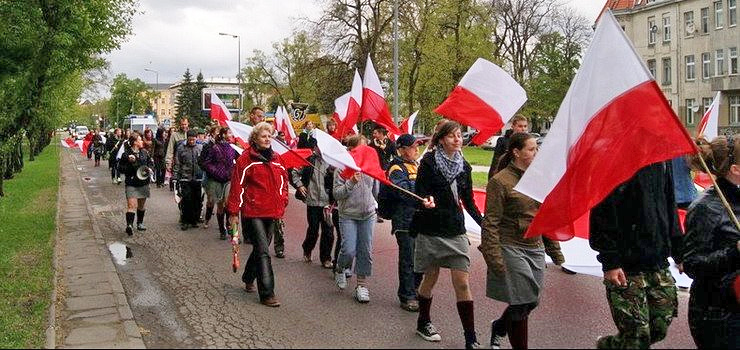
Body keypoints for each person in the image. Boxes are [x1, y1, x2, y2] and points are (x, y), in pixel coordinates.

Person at [479, 132, 564, 349]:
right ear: (516, 152)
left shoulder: (539, 179)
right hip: (510, 246)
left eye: (537, 148)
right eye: (531, 149)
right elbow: (490, 222)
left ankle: (499, 327)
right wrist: (494, 257)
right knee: (521, 300)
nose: (536, 153)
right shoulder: (500, 182)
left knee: (531, 301)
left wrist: (555, 251)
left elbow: (543, 216)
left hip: (534, 246)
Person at [590, 161, 682, 349]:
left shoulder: (663, 159)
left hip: (658, 261)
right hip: (626, 265)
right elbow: (602, 211)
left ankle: (609, 345)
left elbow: (669, 203)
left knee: (659, 327)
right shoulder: (616, 159)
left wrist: (680, 252)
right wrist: (610, 261)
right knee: (636, 337)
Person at [410, 121, 483, 348]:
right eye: (452, 136)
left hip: (455, 230)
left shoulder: (465, 167)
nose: (457, 139)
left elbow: (468, 200)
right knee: (429, 279)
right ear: (442, 139)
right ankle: (424, 321)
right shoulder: (429, 162)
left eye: (459, 136)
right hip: (431, 229)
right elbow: (419, 192)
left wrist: (483, 223)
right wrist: (426, 201)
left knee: (462, 283)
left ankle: (470, 337)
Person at [683, 135, 740, 349]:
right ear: (735, 169)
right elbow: (692, 265)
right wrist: (734, 252)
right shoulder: (706, 208)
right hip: (719, 317)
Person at [227, 122, 289, 307]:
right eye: (263, 136)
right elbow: (237, 186)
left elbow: (283, 182)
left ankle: (248, 277)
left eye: (269, 136)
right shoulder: (246, 159)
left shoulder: (277, 159)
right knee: (263, 251)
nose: (267, 139)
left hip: (272, 211)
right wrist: (233, 212)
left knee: (260, 249)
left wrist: (283, 199)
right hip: (253, 211)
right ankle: (267, 293)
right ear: (255, 139)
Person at [333, 135, 379, 303]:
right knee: (349, 249)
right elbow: (337, 194)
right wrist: (350, 182)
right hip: (348, 215)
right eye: (361, 149)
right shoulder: (341, 169)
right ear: (351, 151)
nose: (365, 152)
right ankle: (340, 267)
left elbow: (375, 189)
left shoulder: (369, 167)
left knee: (365, 250)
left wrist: (376, 204)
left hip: (367, 214)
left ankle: (361, 285)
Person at [388, 134, 424, 312]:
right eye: (412, 146)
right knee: (408, 259)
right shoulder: (396, 168)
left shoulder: (418, 165)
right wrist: (422, 194)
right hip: (404, 220)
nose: (416, 149)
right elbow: (402, 191)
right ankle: (407, 295)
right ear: (402, 150)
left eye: (417, 146)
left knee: (421, 259)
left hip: (419, 219)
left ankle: (414, 289)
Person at [291, 136, 335, 268]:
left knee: (328, 231)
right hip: (312, 201)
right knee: (313, 229)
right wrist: (300, 185)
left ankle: (326, 258)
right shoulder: (308, 160)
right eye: (318, 146)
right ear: (315, 147)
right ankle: (307, 249)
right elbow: (294, 172)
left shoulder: (332, 162)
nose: (321, 149)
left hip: (328, 203)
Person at [201, 127, 238, 240]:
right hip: (216, 180)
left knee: (229, 204)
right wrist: (216, 171)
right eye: (229, 132)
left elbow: (240, 159)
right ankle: (222, 230)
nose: (231, 134)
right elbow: (207, 163)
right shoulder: (215, 148)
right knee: (220, 206)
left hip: (228, 180)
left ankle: (231, 230)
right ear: (223, 135)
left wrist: (234, 169)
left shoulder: (232, 148)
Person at [117, 132, 153, 236]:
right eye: (140, 140)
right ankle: (129, 225)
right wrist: (128, 162)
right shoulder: (126, 154)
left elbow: (150, 163)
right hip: (131, 182)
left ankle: (140, 223)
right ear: (135, 142)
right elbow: (120, 168)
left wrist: (150, 168)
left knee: (141, 205)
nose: (142, 141)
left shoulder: (144, 152)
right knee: (131, 205)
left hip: (143, 182)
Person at [174, 130, 204, 230]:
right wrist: (176, 177)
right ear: (187, 138)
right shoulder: (181, 148)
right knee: (187, 200)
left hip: (198, 178)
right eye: (190, 139)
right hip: (185, 178)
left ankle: (194, 220)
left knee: (197, 200)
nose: (192, 141)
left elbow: (203, 162)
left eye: (193, 139)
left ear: (196, 139)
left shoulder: (200, 148)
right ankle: (185, 220)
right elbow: (178, 163)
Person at [199, 125, 221, 228]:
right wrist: (210, 169)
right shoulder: (207, 146)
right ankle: (207, 220)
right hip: (210, 177)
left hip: (222, 177)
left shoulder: (224, 145)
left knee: (222, 202)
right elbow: (201, 162)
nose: (219, 134)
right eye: (217, 132)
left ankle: (223, 226)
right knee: (211, 200)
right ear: (212, 133)